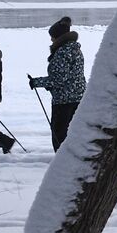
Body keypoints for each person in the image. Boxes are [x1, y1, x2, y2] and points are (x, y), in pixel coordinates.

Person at [29, 16, 86, 151]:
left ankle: (62, 163)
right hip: (79, 96)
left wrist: (36, 82)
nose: (51, 39)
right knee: (74, 134)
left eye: (52, 36)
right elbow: (70, 75)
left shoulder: (62, 52)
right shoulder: (75, 49)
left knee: (59, 135)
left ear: (58, 37)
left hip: (64, 100)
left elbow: (58, 79)